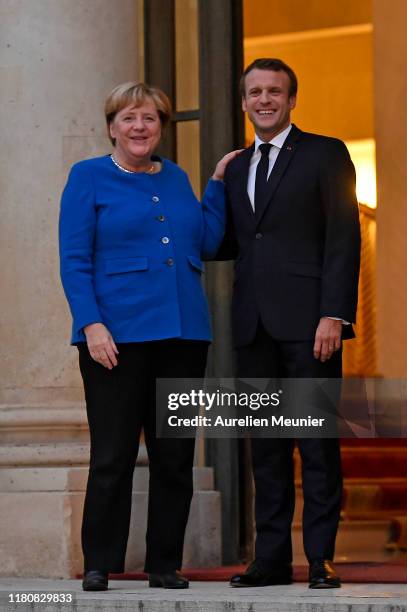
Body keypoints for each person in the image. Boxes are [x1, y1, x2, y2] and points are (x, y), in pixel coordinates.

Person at [59, 81, 239, 591]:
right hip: (114, 337)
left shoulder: (178, 177)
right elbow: (74, 259)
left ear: (161, 127)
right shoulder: (88, 177)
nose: (140, 127)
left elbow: (204, 242)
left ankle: (164, 563)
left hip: (182, 334)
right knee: (113, 453)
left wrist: (218, 187)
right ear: (112, 127)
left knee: (175, 456)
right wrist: (91, 323)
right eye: (129, 118)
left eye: (151, 119)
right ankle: (100, 562)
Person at [217, 59, 361, 589]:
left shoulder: (326, 152)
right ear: (244, 102)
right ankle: (271, 560)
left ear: (292, 99)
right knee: (266, 449)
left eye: (274, 91)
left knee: (317, 444)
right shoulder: (235, 168)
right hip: (253, 327)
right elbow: (225, 243)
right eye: (254, 92)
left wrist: (334, 312)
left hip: (310, 325)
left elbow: (345, 236)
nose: (264, 100)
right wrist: (213, 186)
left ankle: (321, 557)